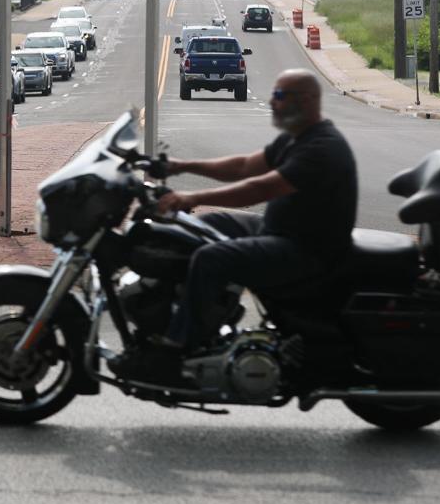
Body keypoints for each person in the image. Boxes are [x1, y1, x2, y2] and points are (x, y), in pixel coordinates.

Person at [114, 69, 358, 380]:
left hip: (306, 250)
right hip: (280, 231)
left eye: (280, 95)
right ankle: (207, 312)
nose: (272, 101)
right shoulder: (297, 139)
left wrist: (191, 196)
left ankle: (176, 349)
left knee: (210, 257)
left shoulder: (321, 148)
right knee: (207, 225)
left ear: (308, 100)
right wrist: (179, 166)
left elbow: (258, 189)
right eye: (273, 94)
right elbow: (243, 167)